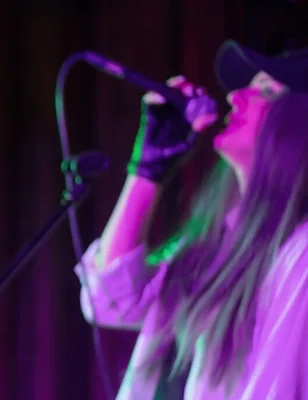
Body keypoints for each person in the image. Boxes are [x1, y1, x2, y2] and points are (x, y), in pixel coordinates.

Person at [75, 40, 308, 399]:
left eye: (264, 91)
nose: (235, 97)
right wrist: (146, 171)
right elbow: (108, 302)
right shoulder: (214, 242)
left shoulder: (299, 256)